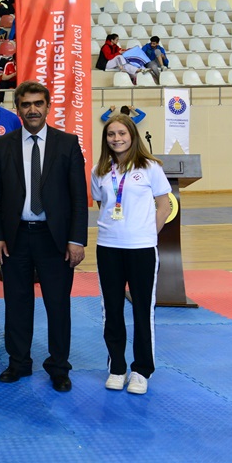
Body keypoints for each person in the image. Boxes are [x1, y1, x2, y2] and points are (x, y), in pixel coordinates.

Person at [0, 81, 88, 392]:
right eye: (26, 104)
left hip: (54, 239)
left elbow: (78, 196)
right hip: (15, 237)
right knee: (17, 304)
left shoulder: (67, 143)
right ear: (17, 109)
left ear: (48, 107)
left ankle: (59, 367)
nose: (32, 109)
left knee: (58, 305)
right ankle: (18, 362)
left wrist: (77, 239)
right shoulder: (3, 145)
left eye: (38, 103)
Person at [92, 114, 171, 396]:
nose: (117, 138)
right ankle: (117, 367)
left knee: (142, 311)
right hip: (108, 247)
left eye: (122, 133)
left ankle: (141, 370)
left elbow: (164, 205)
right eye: (111, 134)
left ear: (132, 135)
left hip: (141, 249)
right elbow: (103, 204)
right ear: (106, 139)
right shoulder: (99, 170)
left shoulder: (150, 167)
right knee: (111, 310)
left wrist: (148, 232)